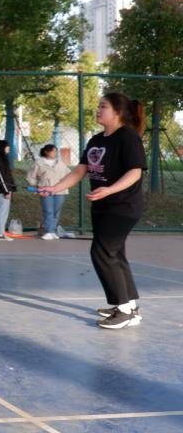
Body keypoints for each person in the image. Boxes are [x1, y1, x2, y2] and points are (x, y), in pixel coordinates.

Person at [40, 93, 147, 330]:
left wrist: (109, 190)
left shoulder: (128, 137)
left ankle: (124, 311)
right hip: (101, 206)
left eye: (103, 106)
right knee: (115, 254)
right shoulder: (96, 140)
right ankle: (129, 306)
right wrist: (55, 188)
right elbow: (80, 170)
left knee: (101, 252)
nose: (98, 110)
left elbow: (135, 172)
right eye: (98, 106)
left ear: (118, 111)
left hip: (123, 206)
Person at [26, 144, 71, 240]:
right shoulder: (38, 163)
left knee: (56, 212)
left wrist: (64, 183)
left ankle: (52, 231)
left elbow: (69, 174)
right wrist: (37, 186)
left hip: (60, 191)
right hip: (45, 190)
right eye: (53, 151)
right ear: (46, 152)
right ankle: (48, 231)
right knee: (48, 211)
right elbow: (30, 177)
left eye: (56, 151)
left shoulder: (60, 162)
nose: (55, 153)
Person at [0, 139, 16, 242]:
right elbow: (0, 176)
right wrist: (6, 191)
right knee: (1, 212)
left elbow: (8, 175)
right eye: (7, 146)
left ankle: (0, 232)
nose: (8, 147)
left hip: (6, 189)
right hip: (1, 190)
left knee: (3, 212)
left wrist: (11, 188)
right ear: (2, 147)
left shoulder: (3, 159)